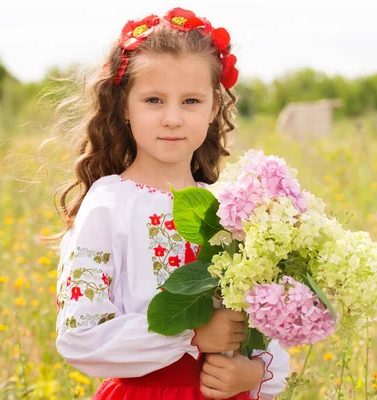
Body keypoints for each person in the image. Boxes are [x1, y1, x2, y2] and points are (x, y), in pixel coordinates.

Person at [53, 7, 290, 399]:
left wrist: (253, 373)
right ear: (124, 106)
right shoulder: (110, 203)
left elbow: (263, 325)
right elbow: (79, 336)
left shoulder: (233, 207)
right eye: (154, 100)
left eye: (192, 101)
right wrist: (191, 334)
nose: (173, 118)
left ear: (215, 107)